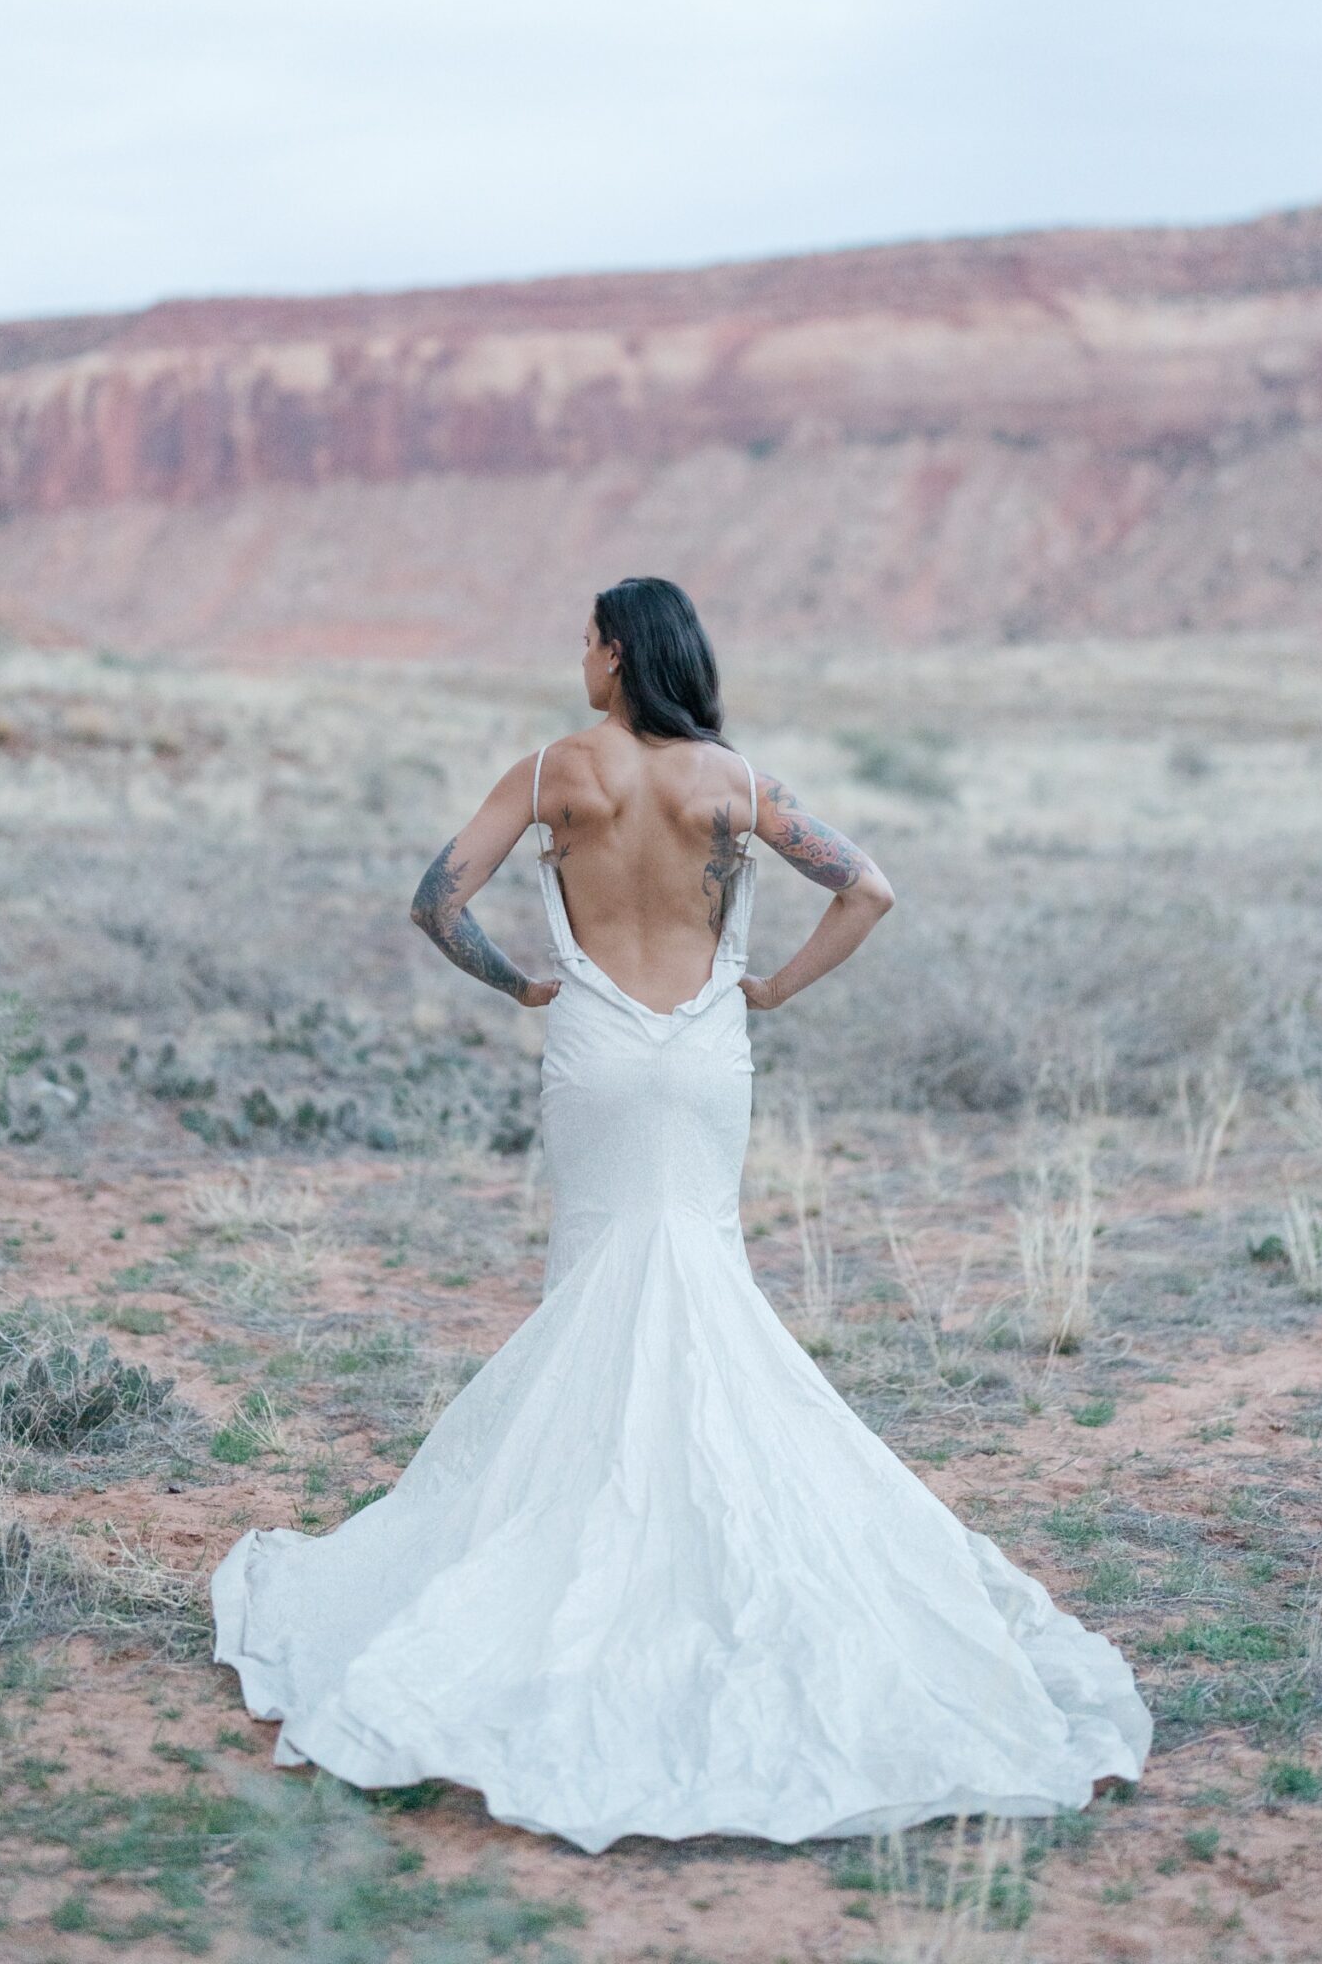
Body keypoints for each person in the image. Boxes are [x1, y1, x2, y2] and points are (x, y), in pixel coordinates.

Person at [211, 576, 1151, 1851]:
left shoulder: (554, 771)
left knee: (598, 1275)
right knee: (699, 1272)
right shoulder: (732, 783)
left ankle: (576, 1521)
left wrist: (524, 984)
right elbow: (866, 887)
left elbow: (435, 898)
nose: (577, 658)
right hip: (703, 1055)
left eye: (586, 639)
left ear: (616, 651)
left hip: (594, 1053)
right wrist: (766, 989)